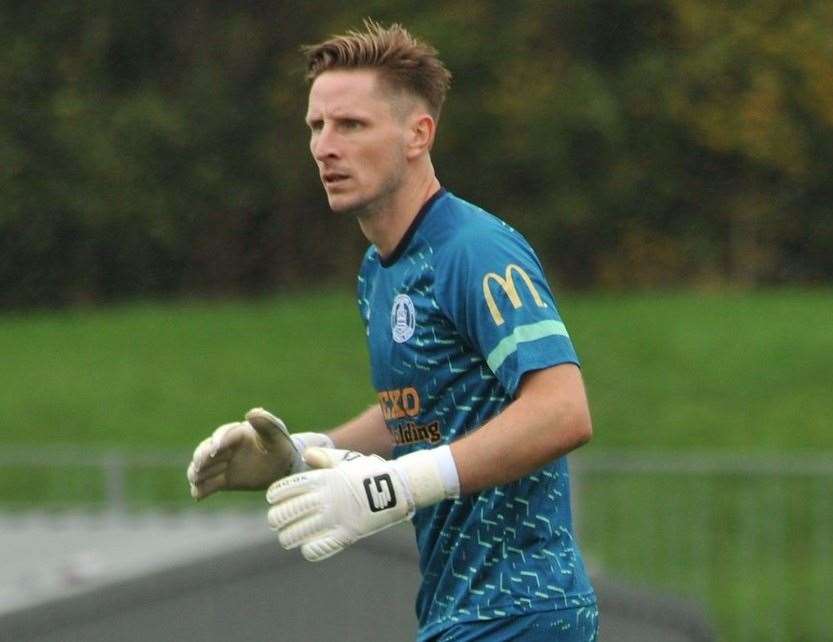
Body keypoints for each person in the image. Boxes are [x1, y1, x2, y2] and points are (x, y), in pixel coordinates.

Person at [187, 20, 598, 642]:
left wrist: (397, 486)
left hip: (523, 608)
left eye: (350, 125)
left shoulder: (474, 250)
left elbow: (562, 411)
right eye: (316, 127)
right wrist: (298, 455)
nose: (325, 146)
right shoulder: (379, 272)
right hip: (459, 610)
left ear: (418, 134)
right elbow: (415, 412)